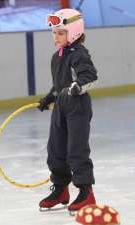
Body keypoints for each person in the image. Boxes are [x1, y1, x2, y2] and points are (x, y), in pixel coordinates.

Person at [38, 8, 98, 212]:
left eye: (60, 32)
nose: (56, 37)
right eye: (54, 32)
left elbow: (89, 76)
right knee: (55, 149)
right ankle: (61, 189)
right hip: (61, 106)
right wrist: (49, 97)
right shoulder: (57, 57)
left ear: (74, 32)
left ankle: (86, 192)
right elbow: (59, 84)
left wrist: (78, 86)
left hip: (78, 106)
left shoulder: (79, 54)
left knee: (76, 149)